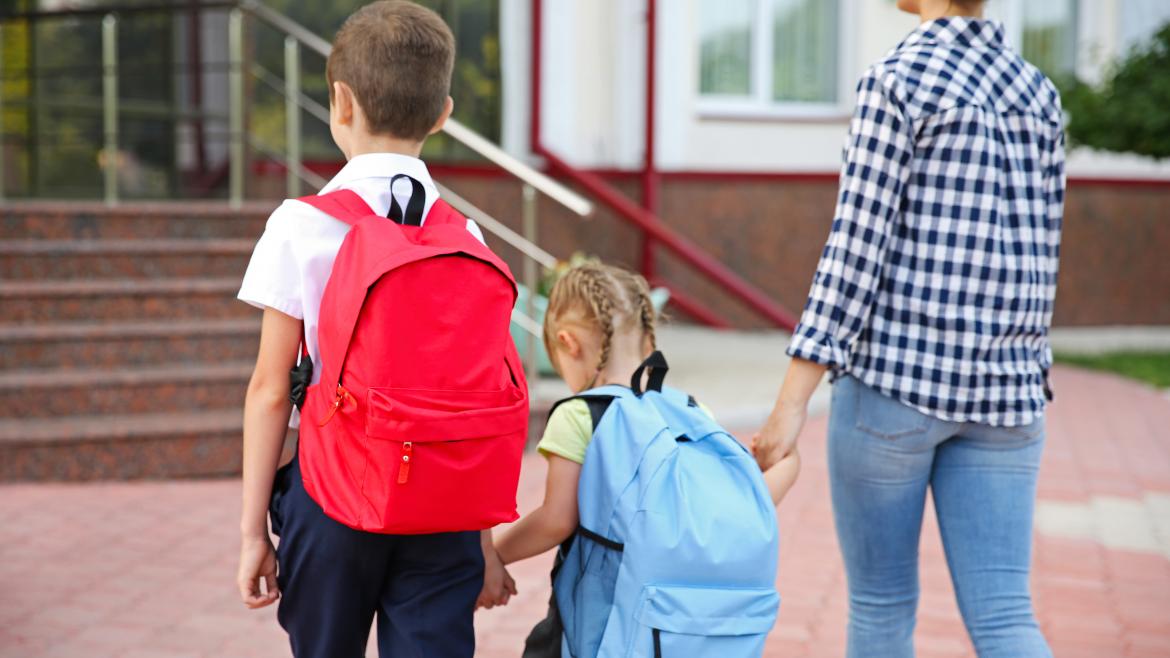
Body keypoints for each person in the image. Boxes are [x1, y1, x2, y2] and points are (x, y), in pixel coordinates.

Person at [753, 0, 1064, 656]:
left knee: (881, 604)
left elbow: (854, 252)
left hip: (896, 389)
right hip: (1008, 399)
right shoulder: (1040, 94)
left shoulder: (896, 79)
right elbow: (1044, 250)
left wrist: (790, 405)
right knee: (1007, 615)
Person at [234, 3, 514, 656]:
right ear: (443, 114)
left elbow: (271, 389)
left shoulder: (301, 225)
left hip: (332, 496)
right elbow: (476, 395)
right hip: (443, 500)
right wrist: (482, 541)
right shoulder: (464, 236)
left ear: (340, 102)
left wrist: (254, 534)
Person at [490, 263, 801, 657]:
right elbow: (750, 502)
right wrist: (789, 464)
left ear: (568, 344)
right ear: (648, 336)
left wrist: (496, 555)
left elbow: (556, 519)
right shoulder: (690, 410)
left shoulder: (581, 414)